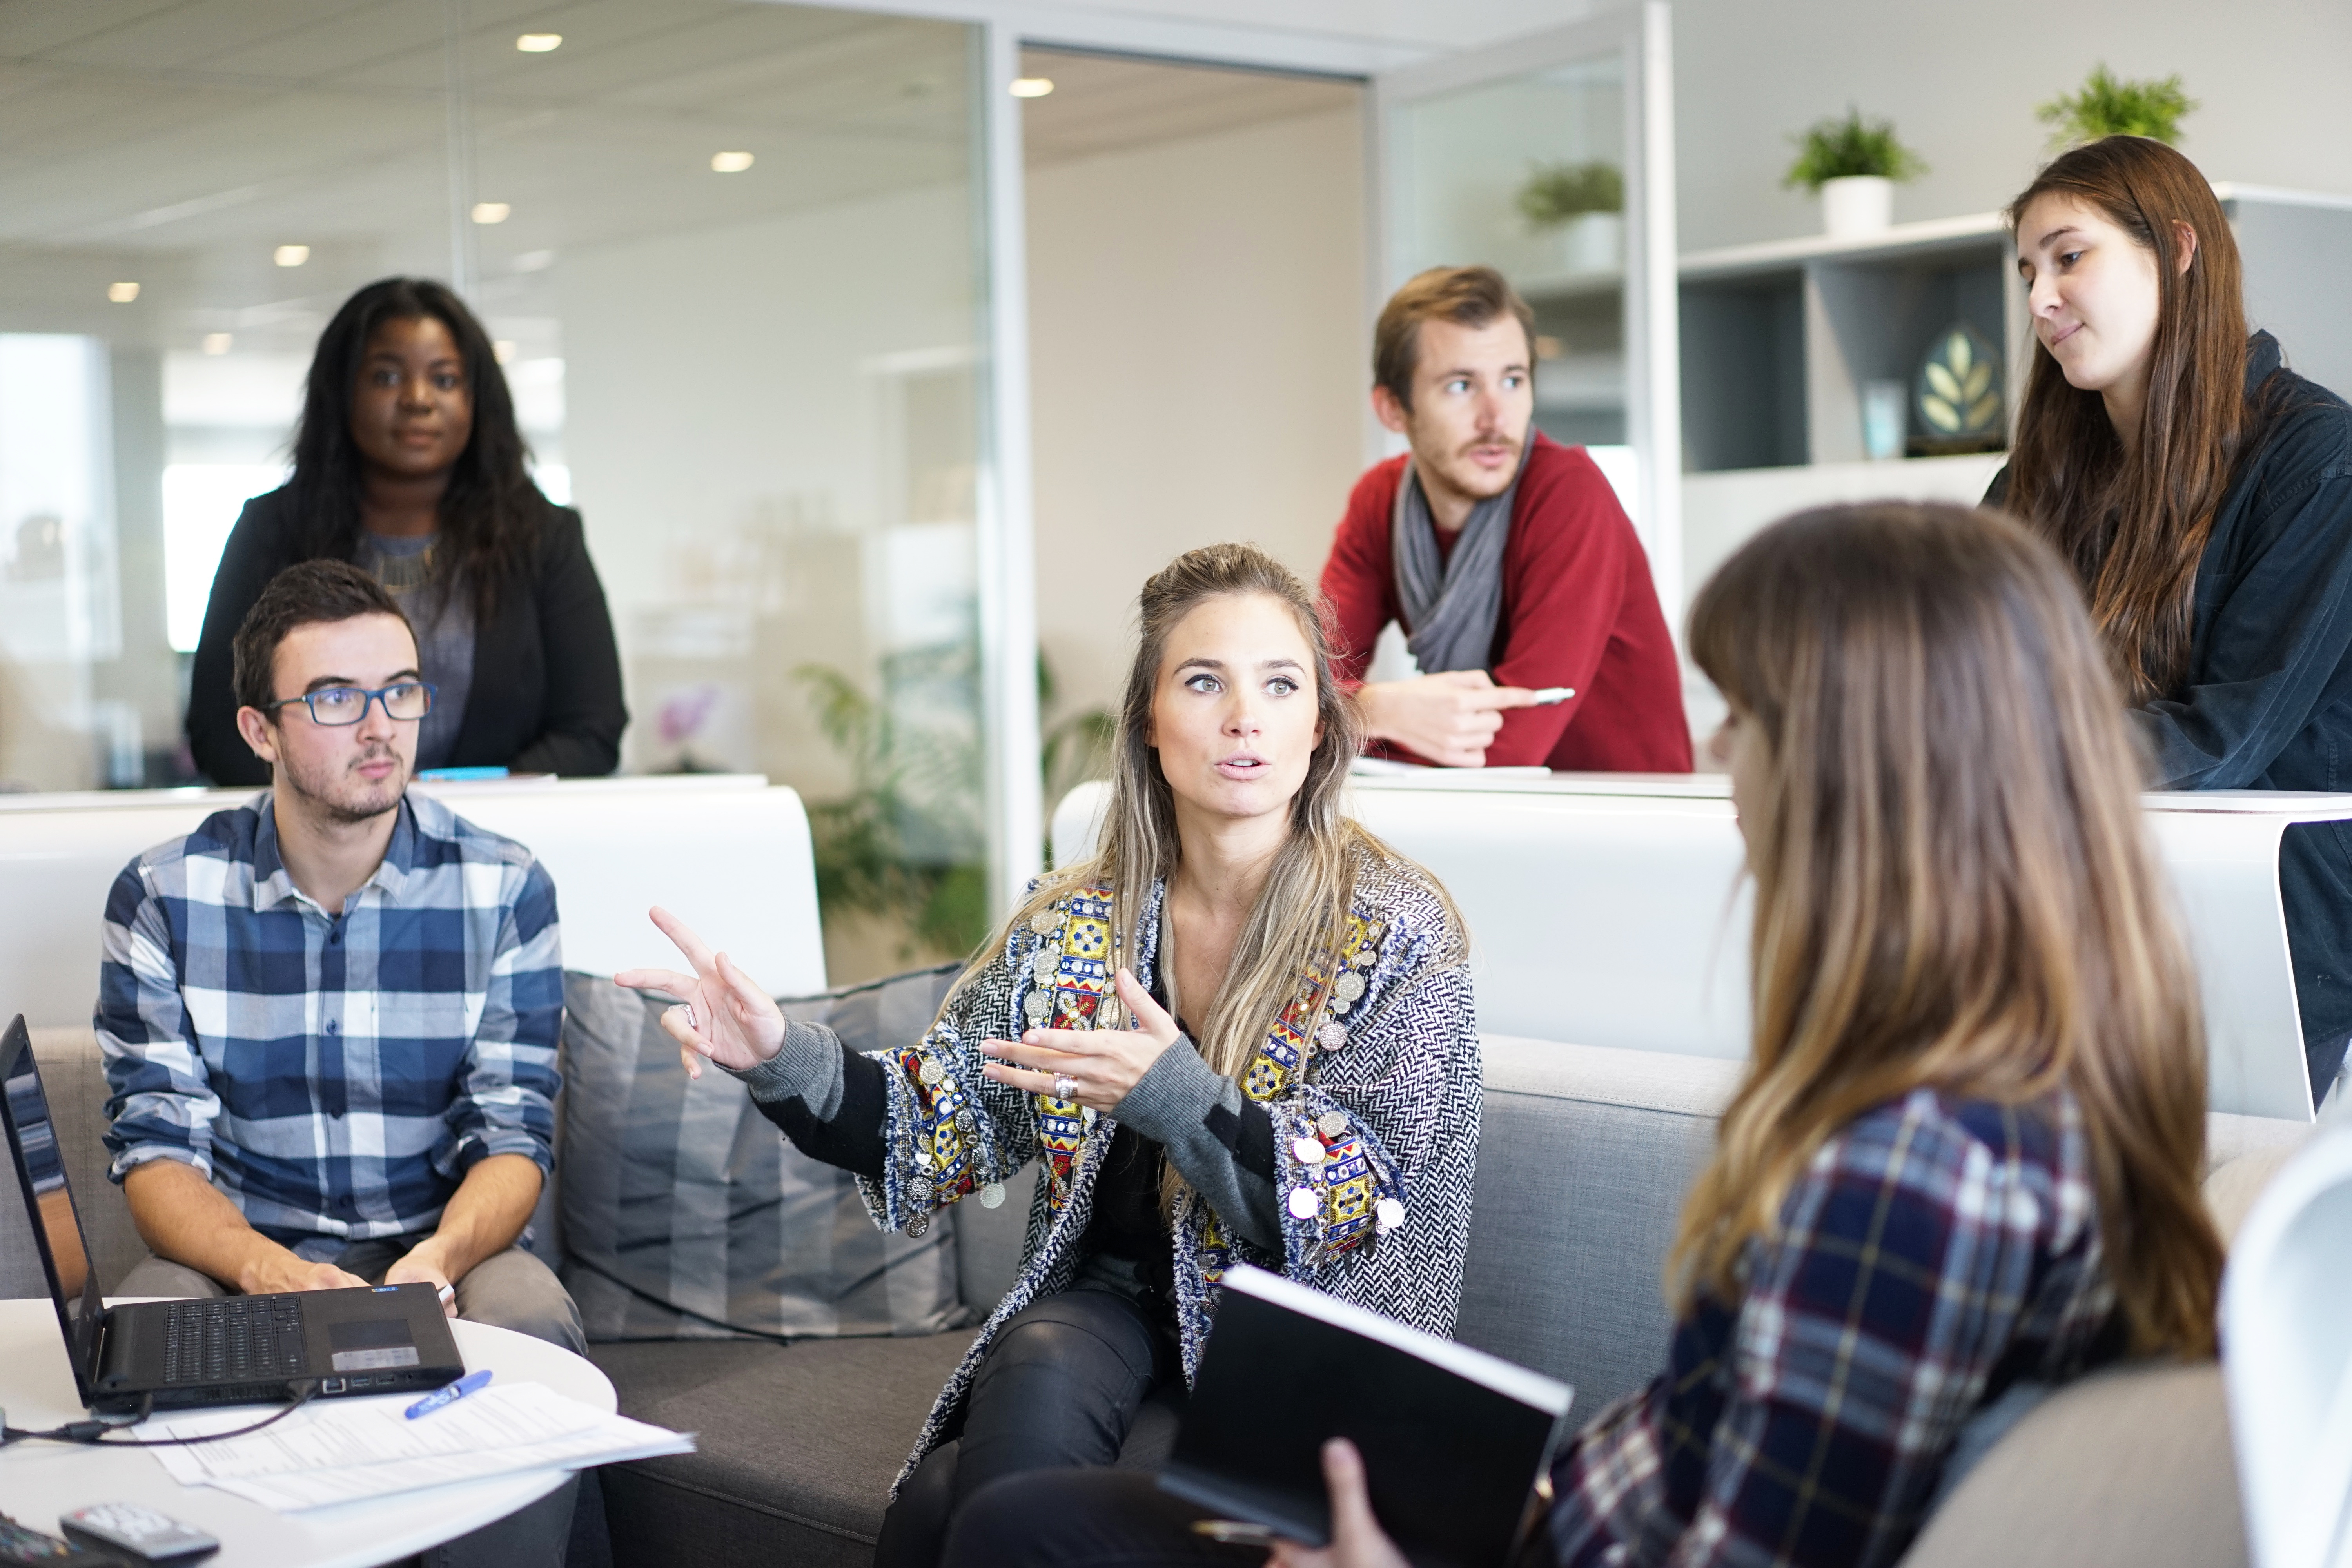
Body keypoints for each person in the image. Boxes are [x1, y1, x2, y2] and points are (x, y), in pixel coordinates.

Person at [953, 503, 2225, 1568]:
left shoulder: (1912, 1173)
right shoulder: (2009, 1091)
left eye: (1750, 717)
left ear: (1868, 770)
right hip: (1547, 1519)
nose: (1721, 754)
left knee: (1023, 1535)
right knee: (1008, 1513)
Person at [619, 543, 1481, 1566]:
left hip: (1304, 1346)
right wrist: (773, 1053)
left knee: (950, 1503)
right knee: (1032, 1363)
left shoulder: (1396, 929)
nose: (1245, 715)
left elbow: (1358, 1204)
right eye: (1204, 682)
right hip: (1113, 1305)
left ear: (1319, 728)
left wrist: (1176, 1097)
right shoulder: (1077, 923)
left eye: (1280, 684)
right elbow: (928, 1121)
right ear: (1150, 725)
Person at [100, 561, 581, 1359]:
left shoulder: (505, 887)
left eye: (400, 690)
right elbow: (156, 1150)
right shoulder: (162, 896)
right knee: (146, 1323)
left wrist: (437, 1261)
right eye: (335, 697)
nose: (380, 727)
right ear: (261, 731)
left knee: (531, 1317)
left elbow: (513, 1134)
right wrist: (269, 1269)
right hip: (242, 1250)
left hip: (442, 1245)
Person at [1992, 135, 2352, 1105]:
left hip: (2274, 942)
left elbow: (2225, 737)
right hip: (2080, 915)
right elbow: (1961, 677)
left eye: (2071, 257)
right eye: (2029, 271)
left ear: (2179, 250)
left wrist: (1983, 759)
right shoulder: (2034, 483)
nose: (2039, 300)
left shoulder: (2319, 459)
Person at [187, 277, 626, 786]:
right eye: (387, 378)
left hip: (497, 844)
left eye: (444, 380)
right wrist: (353, 800)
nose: (418, 400)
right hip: (319, 852)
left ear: (477, 399)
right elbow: (219, 732)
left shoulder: (545, 537)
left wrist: (454, 805)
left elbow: (593, 731)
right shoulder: (271, 532)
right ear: (342, 391)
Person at [1318, 265, 1690, 771]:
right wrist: (1377, 708)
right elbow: (1300, 686)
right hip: (1488, 818)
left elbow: (1511, 746)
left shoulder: (1569, 494)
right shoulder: (1379, 502)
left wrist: (1344, 718)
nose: (1496, 417)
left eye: (1513, 381)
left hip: (1623, 823)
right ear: (1393, 409)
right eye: (1460, 386)